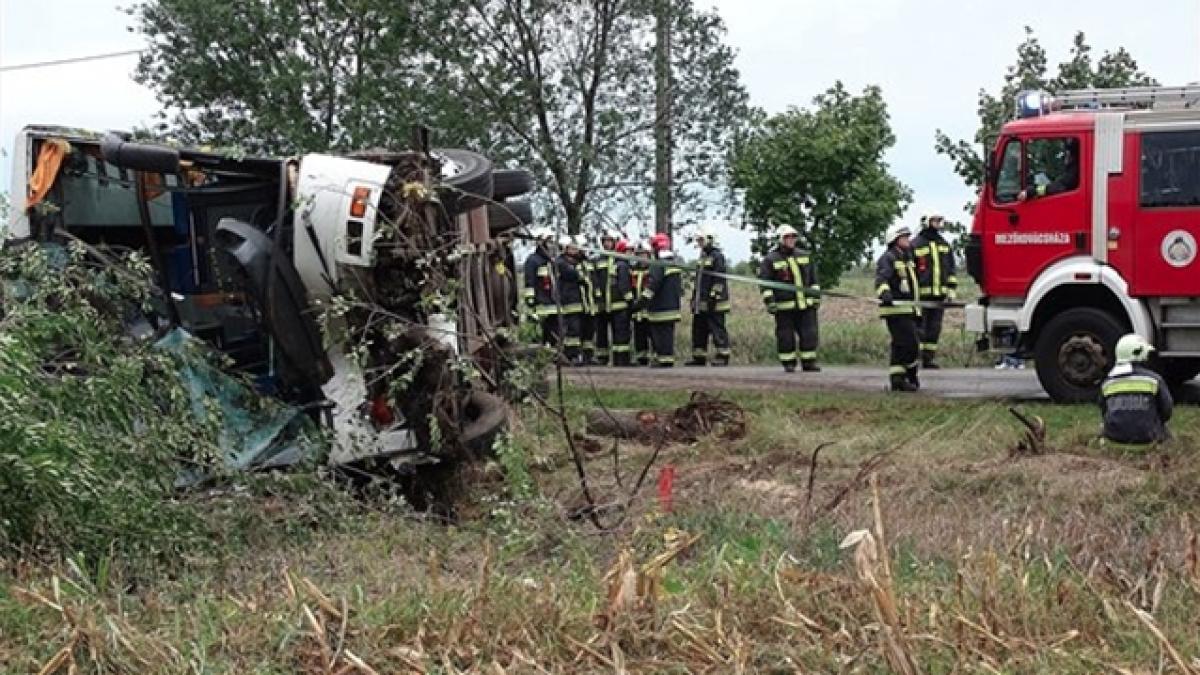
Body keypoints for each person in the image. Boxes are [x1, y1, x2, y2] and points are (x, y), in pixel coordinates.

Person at [759, 223, 821, 373]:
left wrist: (815, 299)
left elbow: (814, 280)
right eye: (787, 237)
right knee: (785, 336)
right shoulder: (770, 259)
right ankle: (788, 363)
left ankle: (809, 362)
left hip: (806, 305)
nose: (791, 239)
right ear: (780, 239)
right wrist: (770, 301)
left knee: (810, 334)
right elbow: (765, 284)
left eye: (793, 237)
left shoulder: (804, 256)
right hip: (784, 306)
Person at [1099, 334, 1173, 445]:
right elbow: (1167, 410)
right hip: (1149, 439)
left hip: (1115, 440)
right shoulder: (1154, 380)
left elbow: (1104, 409)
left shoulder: (1107, 383)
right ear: (1139, 353)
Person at [876, 223, 922, 392]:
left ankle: (897, 379)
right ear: (894, 240)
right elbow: (881, 280)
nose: (907, 240)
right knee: (910, 344)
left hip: (909, 310)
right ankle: (909, 374)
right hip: (895, 311)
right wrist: (885, 294)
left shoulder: (907, 258)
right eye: (903, 237)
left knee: (900, 346)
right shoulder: (888, 258)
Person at [912, 213, 958, 369]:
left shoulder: (944, 244)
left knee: (934, 328)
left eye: (939, 220)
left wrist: (951, 290)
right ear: (926, 222)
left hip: (939, 296)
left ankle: (928, 359)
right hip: (921, 296)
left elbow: (951, 269)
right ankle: (915, 359)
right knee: (920, 328)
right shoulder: (916, 244)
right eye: (935, 220)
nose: (938, 223)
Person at [686, 226, 732, 366]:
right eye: (698, 240)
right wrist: (695, 299)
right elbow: (699, 281)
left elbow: (719, 280)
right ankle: (699, 357)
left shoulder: (717, 257)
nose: (699, 243)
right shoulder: (703, 256)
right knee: (699, 330)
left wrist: (714, 296)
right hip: (701, 303)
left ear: (710, 240)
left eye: (701, 240)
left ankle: (723, 356)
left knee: (717, 329)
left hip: (715, 303)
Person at [590, 229, 635, 366]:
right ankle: (602, 358)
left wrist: (629, 301)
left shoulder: (620, 260)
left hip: (618, 304)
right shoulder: (598, 260)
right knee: (601, 333)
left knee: (621, 333)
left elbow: (624, 283)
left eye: (609, 241)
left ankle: (621, 359)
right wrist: (597, 295)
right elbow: (594, 280)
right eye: (604, 241)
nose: (606, 244)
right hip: (602, 304)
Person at [638, 232, 682, 368]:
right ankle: (667, 358)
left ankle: (663, 359)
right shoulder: (674, 262)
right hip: (673, 306)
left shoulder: (658, 265)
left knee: (659, 333)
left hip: (660, 307)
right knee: (667, 334)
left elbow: (653, 285)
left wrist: (642, 301)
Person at [523, 227, 562, 348]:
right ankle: (545, 348)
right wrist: (531, 300)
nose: (551, 245)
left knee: (556, 328)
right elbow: (530, 281)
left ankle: (554, 349)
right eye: (549, 241)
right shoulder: (533, 260)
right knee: (545, 328)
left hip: (554, 302)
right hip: (542, 302)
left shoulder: (553, 260)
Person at [554, 235, 586, 364]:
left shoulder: (575, 262)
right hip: (569, 301)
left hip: (578, 301)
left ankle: (575, 354)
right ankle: (571, 355)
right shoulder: (561, 263)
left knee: (578, 330)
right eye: (572, 248)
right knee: (572, 330)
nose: (575, 251)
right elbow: (575, 275)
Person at [575, 234, 597, 365]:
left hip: (590, 302)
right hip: (579, 302)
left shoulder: (588, 263)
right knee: (578, 330)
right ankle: (577, 356)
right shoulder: (572, 263)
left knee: (590, 331)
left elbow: (594, 281)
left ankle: (588, 356)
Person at [631, 240, 653, 366]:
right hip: (637, 309)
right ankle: (641, 357)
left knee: (652, 333)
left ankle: (655, 355)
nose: (641, 257)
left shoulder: (652, 269)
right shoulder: (633, 269)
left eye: (643, 254)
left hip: (649, 307)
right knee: (639, 334)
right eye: (638, 254)